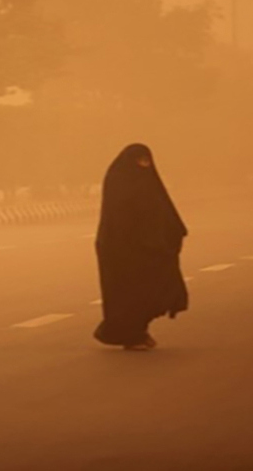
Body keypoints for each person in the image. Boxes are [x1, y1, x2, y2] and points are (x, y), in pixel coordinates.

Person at [93, 144, 189, 351]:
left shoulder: (148, 183)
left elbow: (163, 210)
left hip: (148, 248)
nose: (144, 165)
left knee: (150, 290)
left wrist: (167, 234)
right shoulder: (118, 180)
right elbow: (119, 217)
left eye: (147, 161)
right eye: (140, 161)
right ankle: (130, 334)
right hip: (120, 248)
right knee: (127, 293)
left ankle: (137, 331)